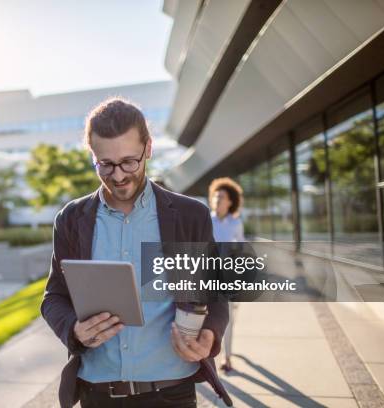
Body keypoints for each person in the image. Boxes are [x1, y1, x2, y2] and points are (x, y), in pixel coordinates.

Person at [41, 98, 230, 408]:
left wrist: (209, 333)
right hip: (97, 394)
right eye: (106, 164)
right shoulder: (72, 220)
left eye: (130, 161)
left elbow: (213, 294)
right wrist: (73, 330)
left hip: (172, 394)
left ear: (149, 149)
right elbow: (54, 298)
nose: (118, 175)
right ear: (93, 156)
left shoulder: (188, 215)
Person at [208, 177, 245, 373]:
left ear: (230, 201)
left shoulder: (235, 223)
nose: (217, 199)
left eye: (221, 197)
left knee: (229, 318)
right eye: (215, 196)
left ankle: (227, 357)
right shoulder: (206, 219)